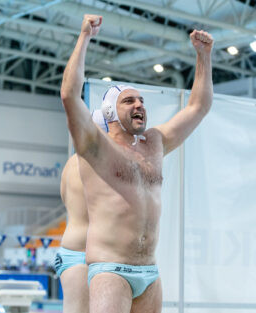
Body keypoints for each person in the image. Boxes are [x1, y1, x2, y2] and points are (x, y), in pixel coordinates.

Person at [60, 14, 213, 313]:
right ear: (110, 113)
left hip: (150, 272)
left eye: (141, 100)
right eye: (129, 101)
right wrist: (84, 37)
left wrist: (204, 56)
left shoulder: (155, 143)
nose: (140, 104)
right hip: (111, 269)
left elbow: (198, 106)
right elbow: (69, 95)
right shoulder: (96, 148)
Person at [54, 110, 108, 313]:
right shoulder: (96, 163)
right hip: (80, 256)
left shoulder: (71, 163)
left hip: (72, 251)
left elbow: (65, 199)